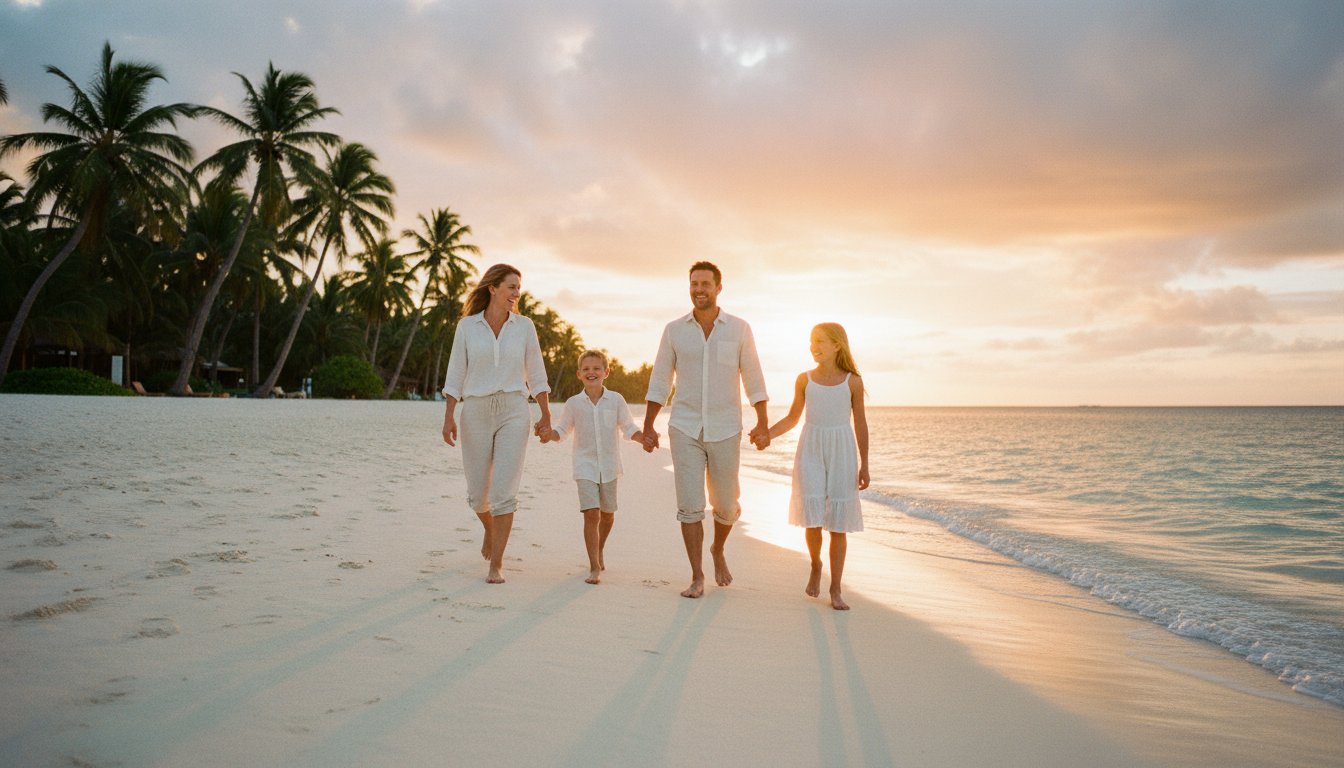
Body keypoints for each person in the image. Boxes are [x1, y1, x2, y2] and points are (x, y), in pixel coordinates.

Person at [642, 261, 769, 599]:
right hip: (684, 427)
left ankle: (718, 549)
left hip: (726, 428)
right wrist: (649, 426)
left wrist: (763, 421)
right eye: (694, 284)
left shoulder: (739, 329)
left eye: (705, 284)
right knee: (690, 505)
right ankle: (697, 575)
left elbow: (753, 377)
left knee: (727, 505)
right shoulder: (674, 330)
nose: (699, 289)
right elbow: (660, 380)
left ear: (718, 288)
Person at [441, 264, 552, 584]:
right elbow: (455, 374)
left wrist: (545, 413)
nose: (517, 293)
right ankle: (491, 530)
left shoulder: (525, 326)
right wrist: (449, 416)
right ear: (492, 288)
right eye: (511, 287)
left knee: (504, 492)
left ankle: (497, 565)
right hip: (474, 409)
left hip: (514, 410)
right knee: (478, 495)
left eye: (519, 288)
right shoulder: (467, 327)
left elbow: (537, 372)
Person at [764, 322, 869, 610]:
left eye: (820, 341)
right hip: (810, 447)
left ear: (837, 345)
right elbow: (792, 418)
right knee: (812, 518)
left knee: (837, 525)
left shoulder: (853, 382)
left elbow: (860, 424)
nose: (814, 346)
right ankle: (815, 564)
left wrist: (865, 464)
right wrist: (767, 434)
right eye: (812, 341)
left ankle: (835, 588)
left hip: (842, 450)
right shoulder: (804, 379)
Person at [540, 349, 647, 584]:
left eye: (596, 368)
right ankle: (594, 567)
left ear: (606, 372)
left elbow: (628, 427)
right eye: (586, 369)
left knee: (608, 516)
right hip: (584, 465)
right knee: (592, 514)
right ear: (579, 374)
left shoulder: (616, 400)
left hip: (609, 466)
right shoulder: (573, 403)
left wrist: (643, 438)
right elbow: (562, 430)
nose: (592, 372)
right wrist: (550, 435)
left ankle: (599, 549)